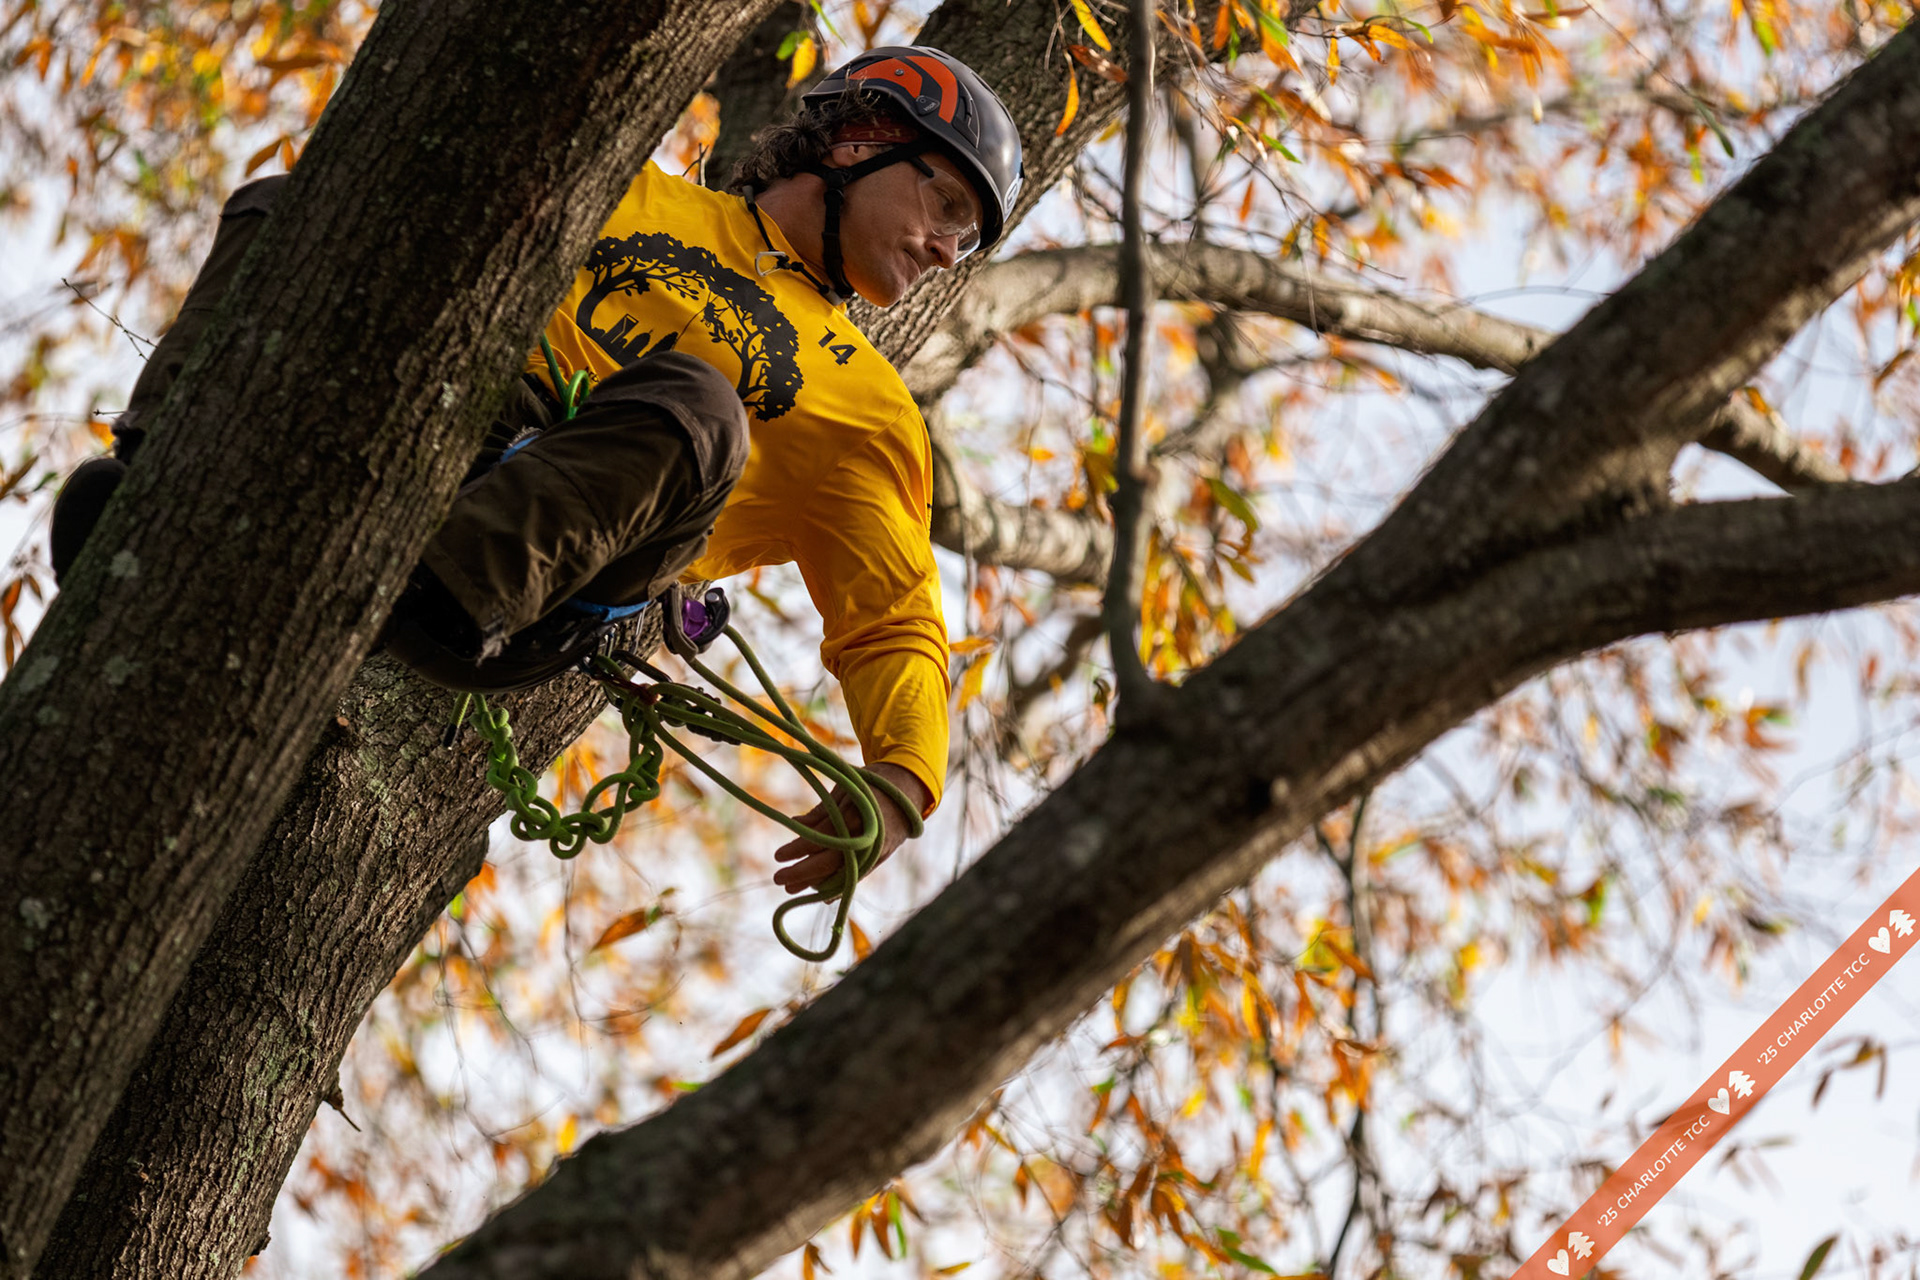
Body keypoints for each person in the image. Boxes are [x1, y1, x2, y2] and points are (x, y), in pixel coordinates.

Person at [49, 46, 1024, 897]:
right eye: (945, 203)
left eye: (968, 238)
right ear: (859, 136)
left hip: (530, 586)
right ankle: (167, 473)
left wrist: (900, 785)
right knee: (293, 206)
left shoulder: (865, 407)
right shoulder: (631, 189)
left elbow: (894, 615)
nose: (947, 249)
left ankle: (437, 582)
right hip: (434, 432)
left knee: (701, 401)